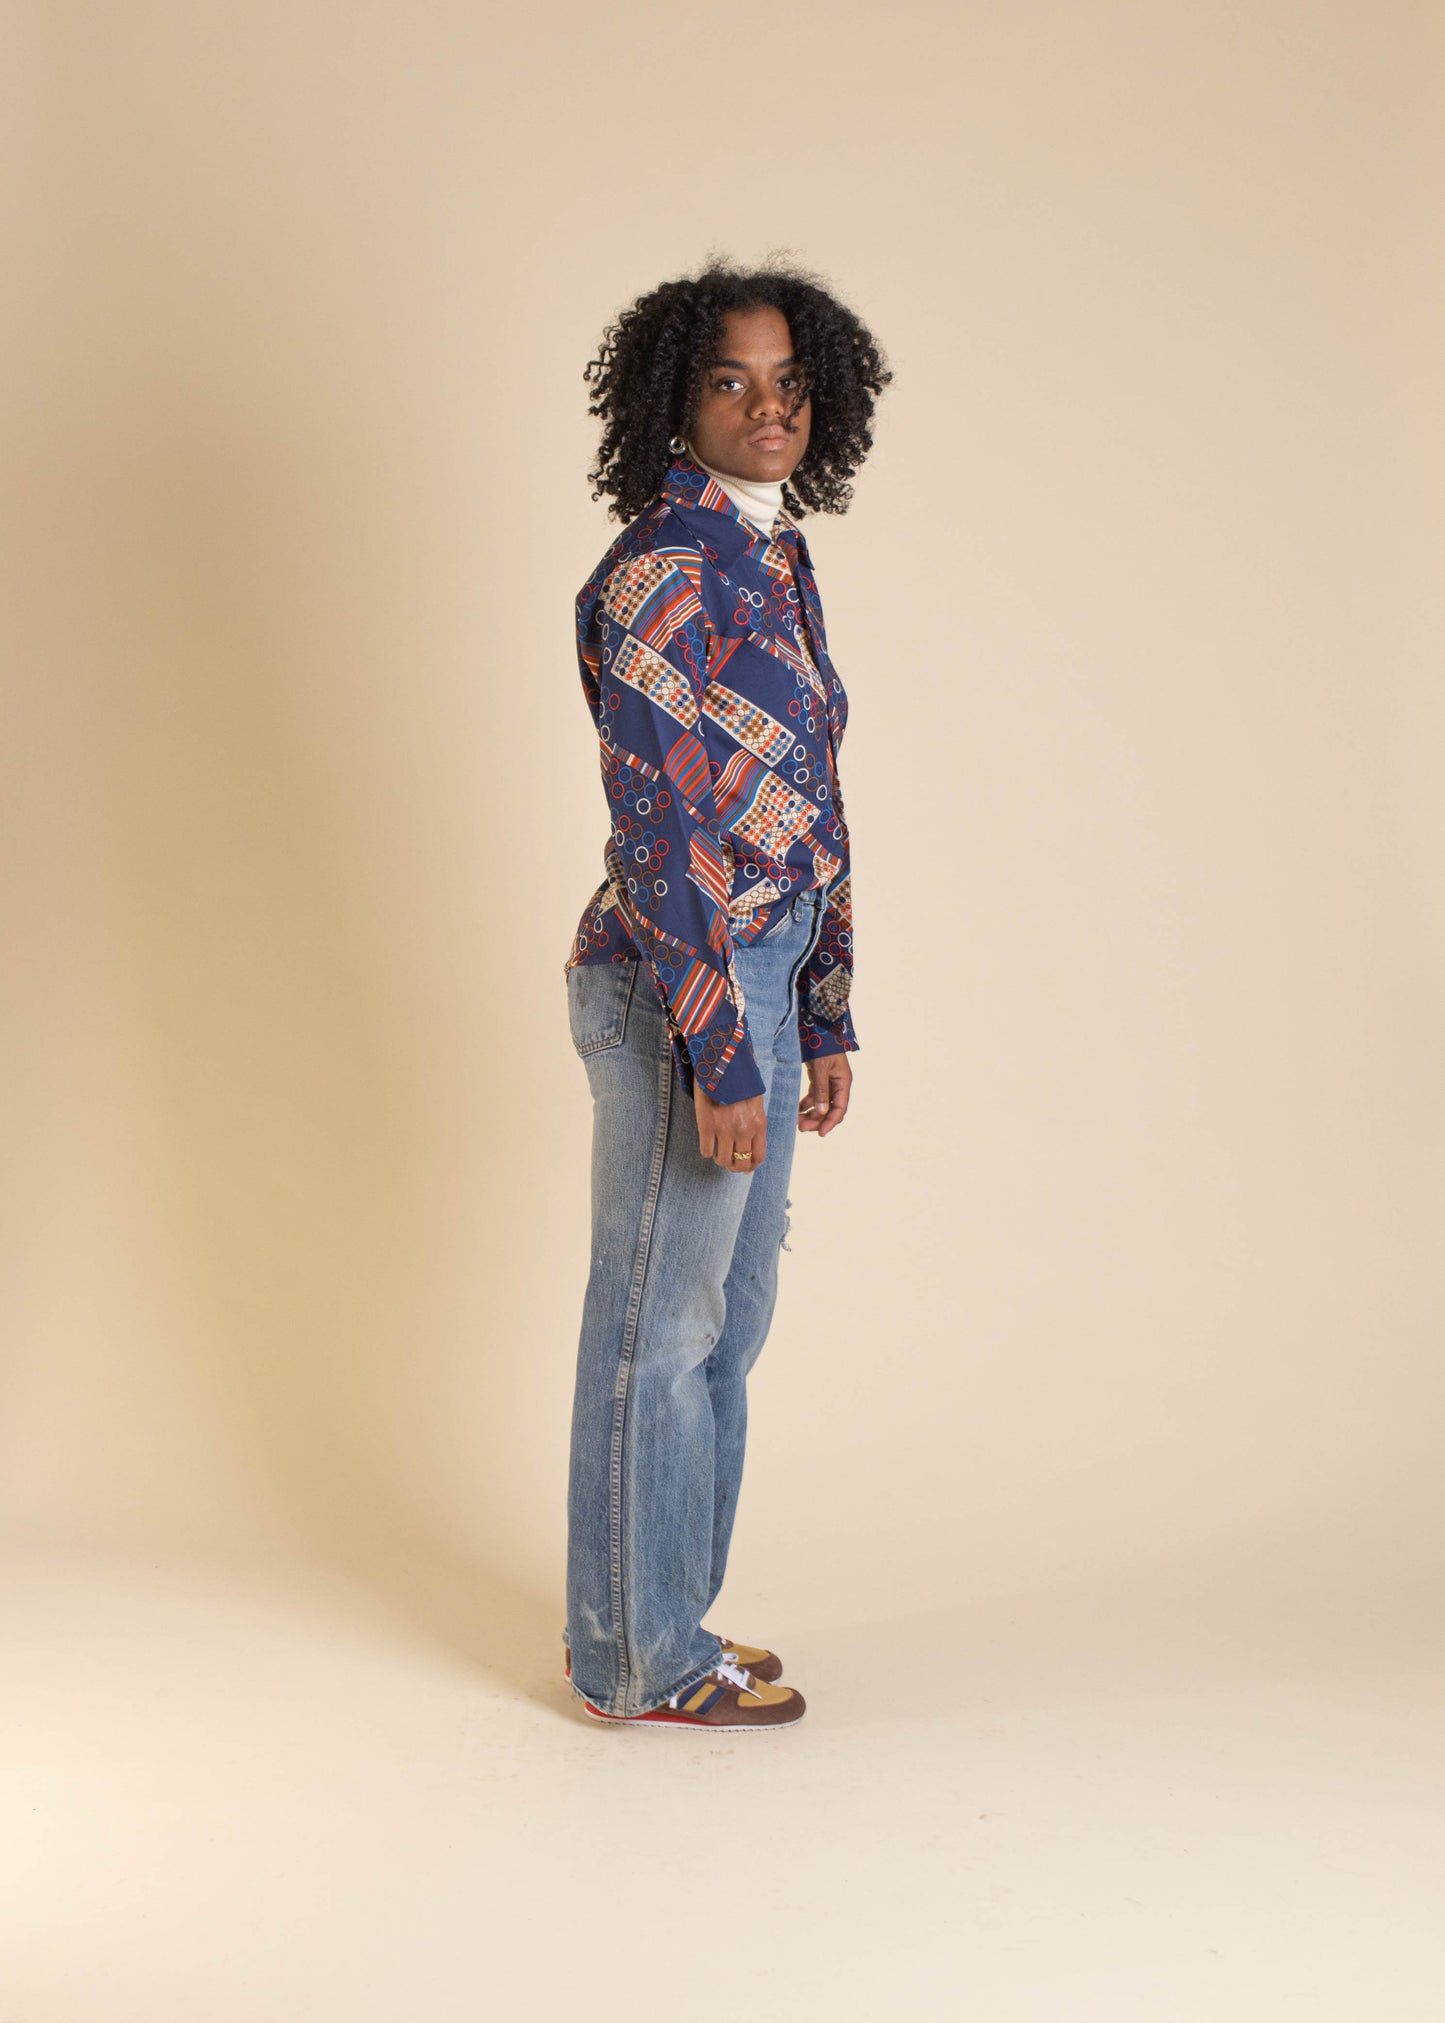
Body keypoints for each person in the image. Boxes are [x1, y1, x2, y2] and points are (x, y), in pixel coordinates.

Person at [561, 259, 891, 1730]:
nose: (769, 408)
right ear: (674, 403)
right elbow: (664, 829)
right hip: (675, 982)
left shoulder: (775, 558)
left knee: (725, 1328)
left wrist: (822, 1012)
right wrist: (725, 1049)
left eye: (790, 383)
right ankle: (636, 1662)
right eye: (730, 382)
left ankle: (668, 1623)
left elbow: (813, 805)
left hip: (761, 971)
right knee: (659, 1330)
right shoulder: (659, 572)